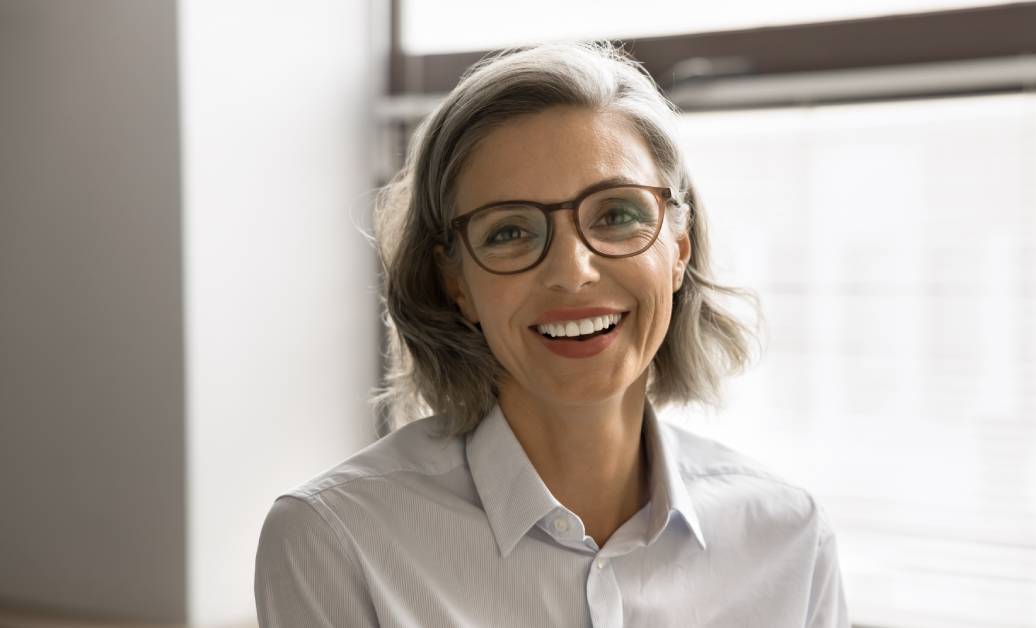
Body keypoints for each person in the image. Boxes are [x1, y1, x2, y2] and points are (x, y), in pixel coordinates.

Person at [254, 41, 849, 628]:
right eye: (509, 231)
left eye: (617, 215)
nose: (571, 272)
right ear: (455, 282)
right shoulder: (335, 539)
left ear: (678, 252)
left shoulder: (789, 537)